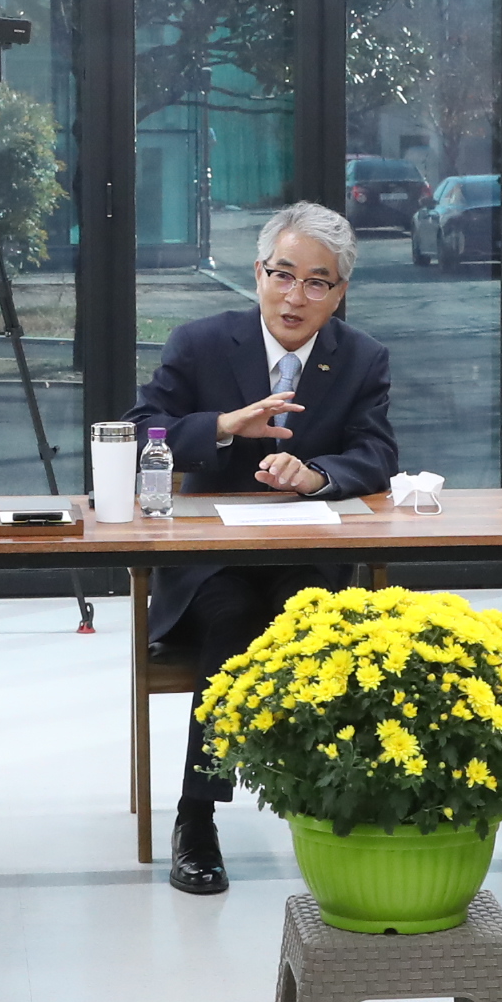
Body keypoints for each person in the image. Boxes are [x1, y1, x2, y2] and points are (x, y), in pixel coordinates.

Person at [129, 202, 398, 896]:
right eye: (283, 275)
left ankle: (330, 801)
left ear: (338, 293)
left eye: (317, 282)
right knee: (228, 615)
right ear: (257, 273)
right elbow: (140, 430)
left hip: (306, 556)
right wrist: (221, 427)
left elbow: (376, 452)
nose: (295, 296)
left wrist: (318, 476)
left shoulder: (360, 356)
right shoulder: (200, 343)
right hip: (208, 563)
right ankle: (197, 816)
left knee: (308, 613)